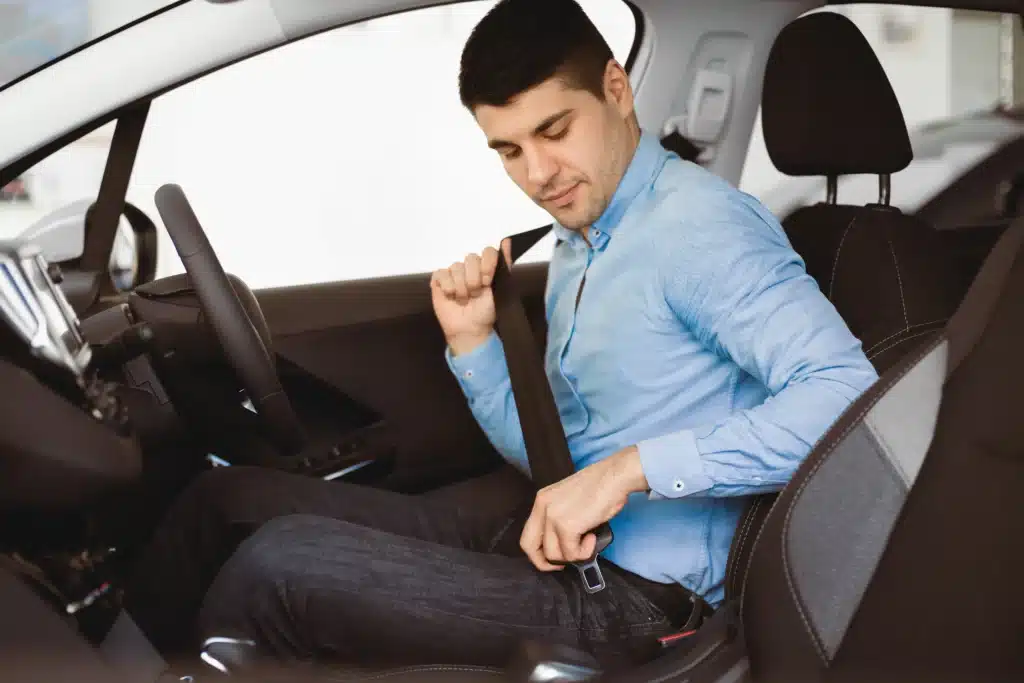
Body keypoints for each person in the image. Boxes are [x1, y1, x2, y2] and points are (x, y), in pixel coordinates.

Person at [124, 0, 879, 671]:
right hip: (554, 541)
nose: (539, 173)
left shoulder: (701, 229)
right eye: (510, 149)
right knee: (227, 498)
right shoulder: (586, 235)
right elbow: (559, 461)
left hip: (639, 599)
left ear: (616, 90)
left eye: (554, 131)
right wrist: (475, 348)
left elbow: (850, 403)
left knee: (276, 569)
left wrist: (627, 471)